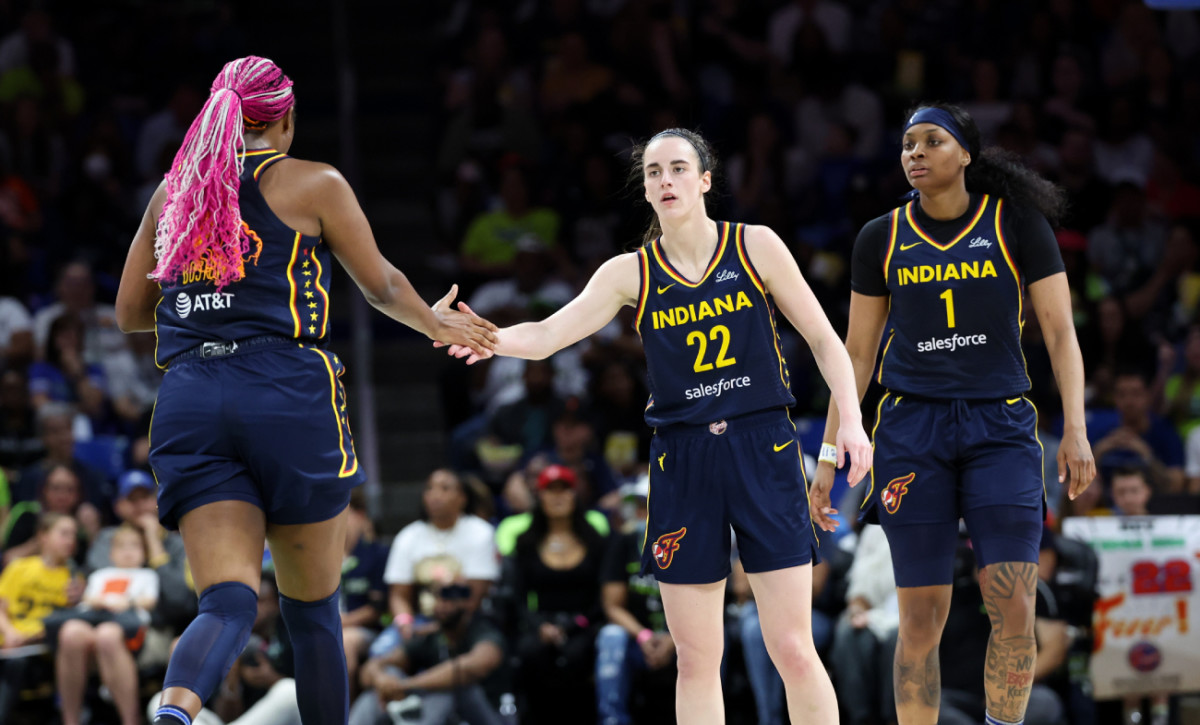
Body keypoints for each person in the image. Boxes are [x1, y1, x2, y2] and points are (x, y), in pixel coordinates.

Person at [113, 55, 497, 725]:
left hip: (190, 396)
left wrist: (206, 299)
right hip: (285, 392)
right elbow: (380, 285)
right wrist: (437, 322)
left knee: (227, 602)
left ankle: (174, 712)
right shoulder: (314, 181)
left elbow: (129, 312)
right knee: (314, 611)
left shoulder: (173, 193)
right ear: (285, 120)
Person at [442, 127, 871, 724]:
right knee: (697, 660)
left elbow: (827, 341)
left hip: (763, 449)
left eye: (676, 169)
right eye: (652, 172)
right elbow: (545, 336)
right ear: (644, 189)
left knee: (792, 648)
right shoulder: (630, 271)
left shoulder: (756, 246)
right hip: (682, 458)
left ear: (705, 180)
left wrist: (848, 421)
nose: (665, 181)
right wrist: (484, 338)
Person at [811, 102, 1096, 725]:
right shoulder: (879, 237)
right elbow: (856, 355)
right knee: (919, 616)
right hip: (913, 429)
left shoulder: (1016, 223)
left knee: (1014, 602)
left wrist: (1074, 428)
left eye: (931, 141)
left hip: (1002, 427)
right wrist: (830, 454)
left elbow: (1060, 333)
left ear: (965, 153)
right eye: (907, 143)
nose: (914, 153)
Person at [351, 574, 506, 725]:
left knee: (453, 685)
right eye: (438, 595)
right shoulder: (430, 635)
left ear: (468, 600)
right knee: (380, 685)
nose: (443, 603)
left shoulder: (483, 631)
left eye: (451, 596)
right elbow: (371, 668)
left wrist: (406, 685)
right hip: (437, 713)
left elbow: (471, 668)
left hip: (490, 714)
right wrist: (381, 680)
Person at [55, 523, 159, 725]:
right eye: (122, 547)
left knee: (107, 634)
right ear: (111, 553)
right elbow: (88, 601)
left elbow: (150, 602)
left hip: (128, 631)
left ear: (144, 553)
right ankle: (70, 719)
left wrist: (127, 602)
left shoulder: (147, 575)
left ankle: (130, 719)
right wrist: (102, 602)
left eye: (134, 546)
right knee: (70, 631)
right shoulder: (99, 576)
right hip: (94, 625)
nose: (128, 552)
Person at [0, 512, 81, 721]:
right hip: (7, 640)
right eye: (64, 533)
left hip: (37, 651)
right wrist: (10, 632)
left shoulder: (74, 580)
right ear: (43, 536)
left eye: (73, 534)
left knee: (16, 664)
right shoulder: (20, 567)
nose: (70, 540)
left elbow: (66, 625)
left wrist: (25, 638)